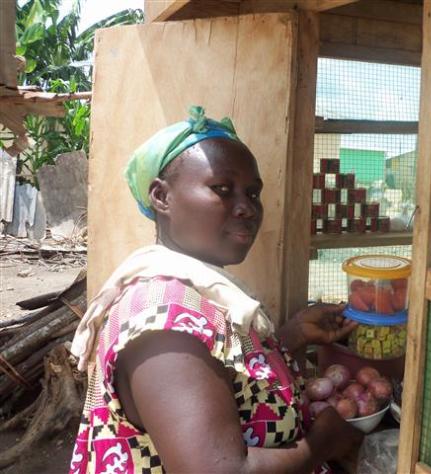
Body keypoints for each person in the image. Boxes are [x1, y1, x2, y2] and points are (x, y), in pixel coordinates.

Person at [69, 106, 363, 473]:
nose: (247, 208)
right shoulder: (163, 324)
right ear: (161, 197)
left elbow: (221, 372)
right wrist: (321, 444)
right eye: (222, 189)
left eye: (252, 194)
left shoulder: (197, 291)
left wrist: (293, 335)